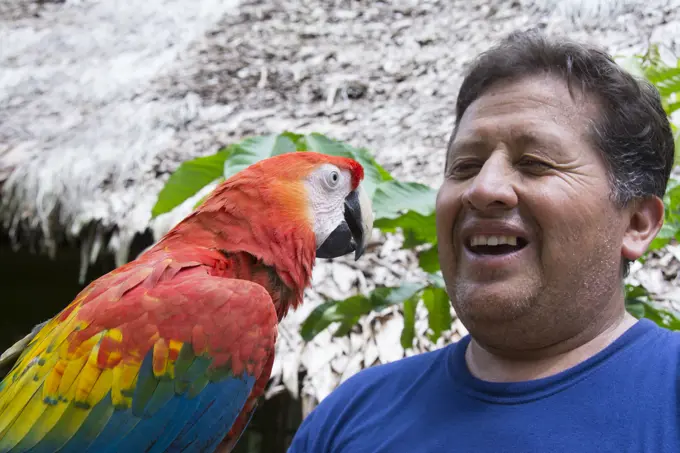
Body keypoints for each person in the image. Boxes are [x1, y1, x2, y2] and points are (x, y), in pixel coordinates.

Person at [287, 29, 680, 453]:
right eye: (465, 166)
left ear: (637, 223)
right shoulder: (349, 414)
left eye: (535, 163)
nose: (482, 187)